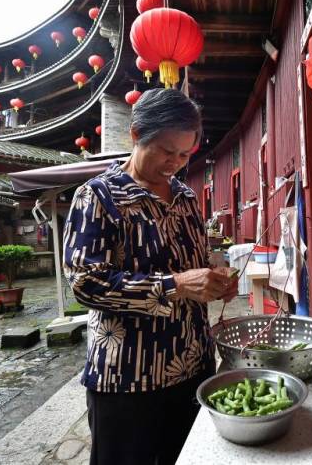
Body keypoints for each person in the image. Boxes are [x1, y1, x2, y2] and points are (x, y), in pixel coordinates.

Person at [63, 88, 237, 465]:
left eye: (184, 154)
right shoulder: (98, 197)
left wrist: (216, 279)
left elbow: (198, 259)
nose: (173, 162)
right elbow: (86, 284)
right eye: (164, 150)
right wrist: (175, 285)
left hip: (192, 366)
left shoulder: (186, 198)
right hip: (128, 378)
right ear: (136, 134)